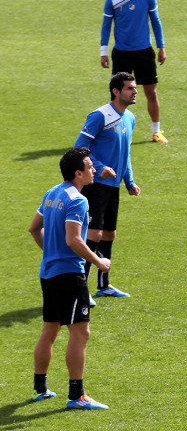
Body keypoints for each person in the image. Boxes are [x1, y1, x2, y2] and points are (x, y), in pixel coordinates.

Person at [28, 147, 111, 410]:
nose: (94, 169)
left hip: (48, 272)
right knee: (80, 333)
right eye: (90, 166)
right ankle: (77, 395)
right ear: (78, 173)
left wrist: (51, 253)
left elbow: (34, 228)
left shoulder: (52, 193)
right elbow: (74, 240)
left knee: (49, 330)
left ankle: (40, 389)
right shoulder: (78, 200)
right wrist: (98, 262)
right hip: (69, 275)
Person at [74, 72, 141, 298]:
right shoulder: (100, 115)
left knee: (109, 234)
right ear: (116, 91)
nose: (135, 92)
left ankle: (103, 285)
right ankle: (81, 288)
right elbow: (79, 148)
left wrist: (129, 181)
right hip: (95, 184)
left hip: (113, 186)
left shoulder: (130, 117)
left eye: (135, 88)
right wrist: (99, 166)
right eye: (130, 88)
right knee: (94, 233)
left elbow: (125, 153)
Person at [101, 0, 169, 143]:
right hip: (121, 54)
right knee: (117, 95)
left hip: (144, 52)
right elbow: (106, 26)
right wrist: (103, 52)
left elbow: (155, 21)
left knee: (151, 93)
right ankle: (115, 133)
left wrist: (161, 47)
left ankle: (156, 132)